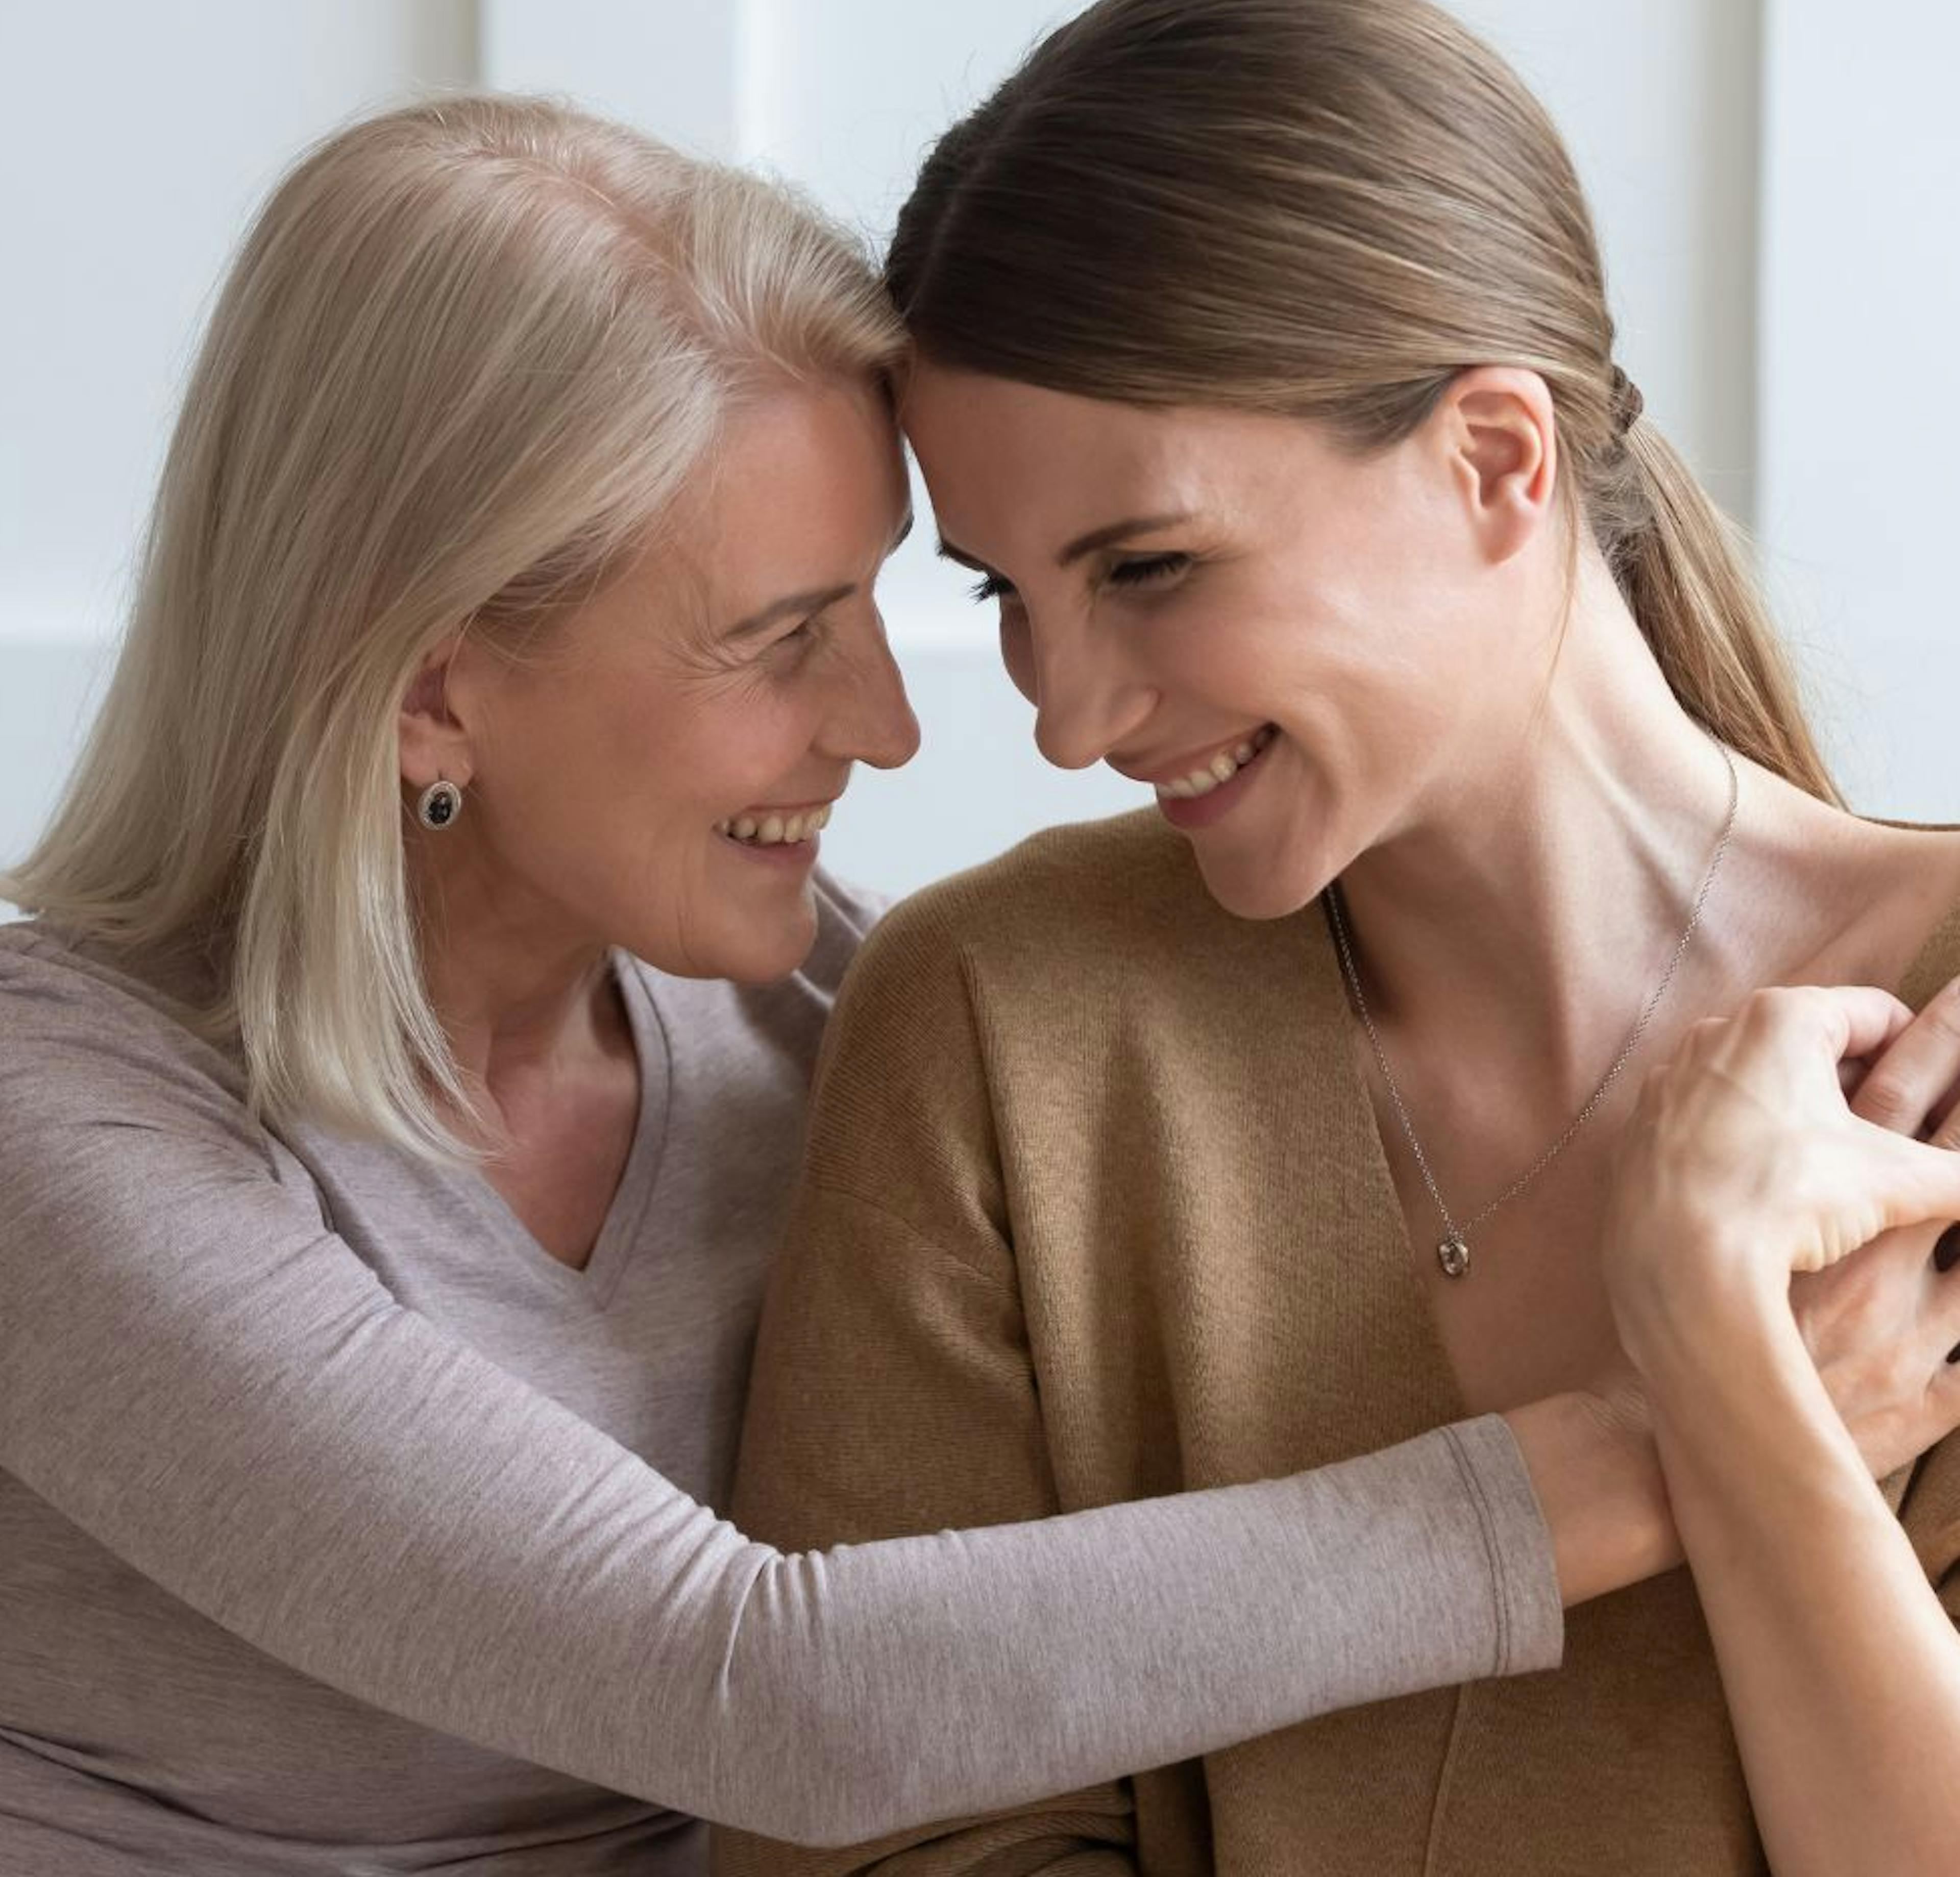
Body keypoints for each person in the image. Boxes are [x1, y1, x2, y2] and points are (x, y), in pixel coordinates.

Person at [0, 92, 1734, 1877]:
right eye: (780, 640)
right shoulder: (51, 1131)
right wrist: (1671, 1442)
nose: (890, 732)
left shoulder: (830, 1005)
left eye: (882, 607)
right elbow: (767, 1696)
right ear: (436, 693)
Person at [714, 0, 1960, 1877]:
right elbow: (875, 1833)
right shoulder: (1002, 1026)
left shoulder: (1944, 1017)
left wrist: (1722, 1355)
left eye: (1147, 566)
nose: (1064, 716)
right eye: (1006, 594)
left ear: (1495, 460)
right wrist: (1694, 1411)